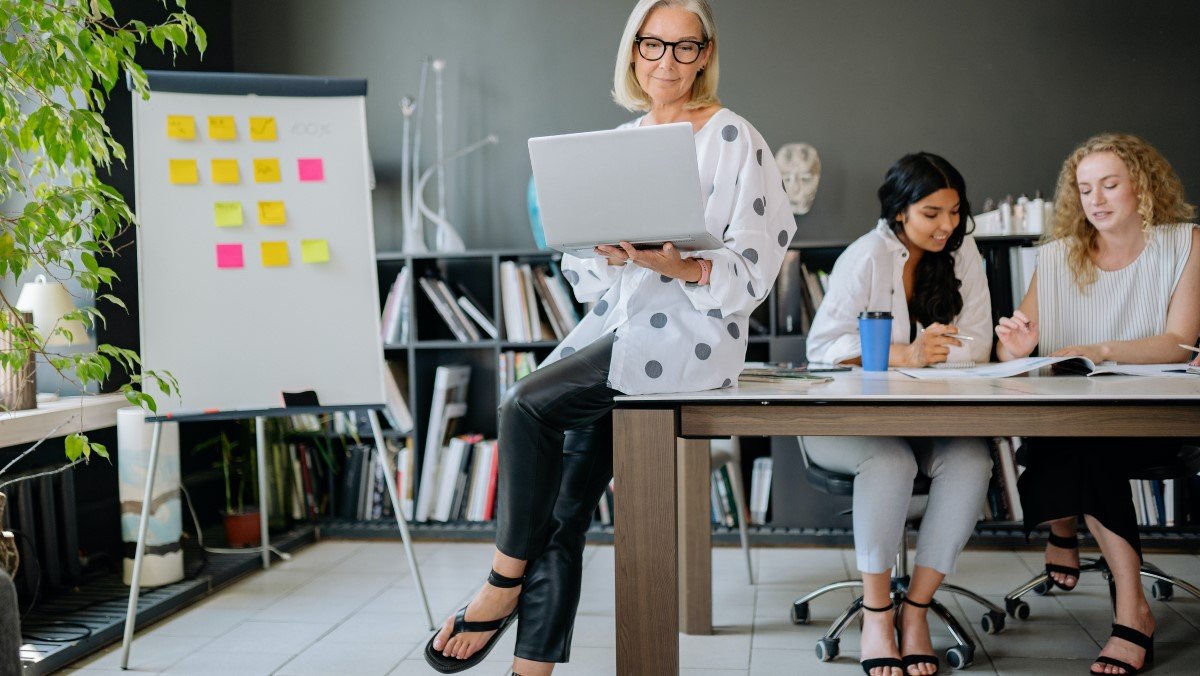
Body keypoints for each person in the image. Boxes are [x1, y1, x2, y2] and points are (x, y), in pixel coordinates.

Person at [423, 1, 795, 674]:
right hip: (618, 328)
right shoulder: (621, 143)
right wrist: (609, 253)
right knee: (563, 508)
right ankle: (530, 667)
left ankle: (500, 585)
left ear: (706, 54)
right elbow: (589, 279)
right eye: (654, 46)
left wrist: (677, 265)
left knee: (524, 405)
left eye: (686, 48)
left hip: (691, 336)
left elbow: (761, 263)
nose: (668, 63)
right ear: (633, 52)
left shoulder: (734, 136)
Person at [994, 132, 1200, 676]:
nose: (1097, 200)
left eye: (1110, 184)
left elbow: (1180, 341)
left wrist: (1100, 350)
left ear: (1144, 187)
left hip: (1148, 418)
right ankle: (1130, 606)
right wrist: (1016, 345)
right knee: (1073, 437)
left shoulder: (1185, 243)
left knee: (1083, 448)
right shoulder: (1059, 256)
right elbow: (1020, 340)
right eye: (1086, 189)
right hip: (1069, 417)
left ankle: (1105, 578)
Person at [802, 152, 994, 676]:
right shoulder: (865, 255)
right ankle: (877, 613)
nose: (947, 226)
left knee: (973, 461)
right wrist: (906, 353)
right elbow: (822, 347)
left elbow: (978, 344)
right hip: (847, 424)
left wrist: (928, 352)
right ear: (900, 211)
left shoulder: (964, 253)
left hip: (927, 421)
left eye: (955, 212)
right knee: (890, 463)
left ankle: (917, 610)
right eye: (932, 213)